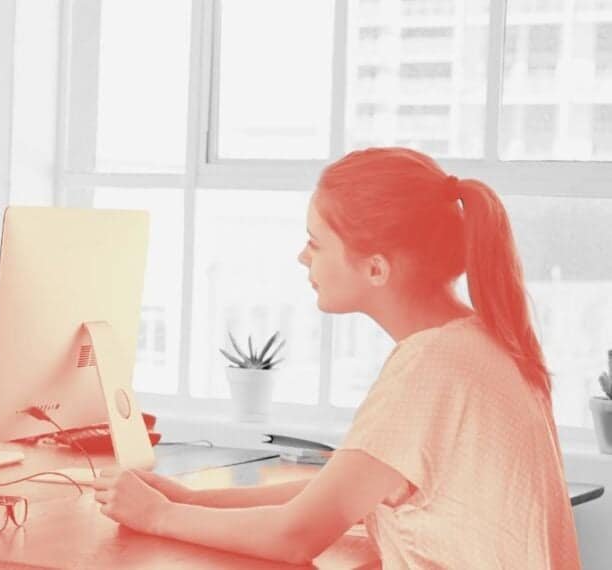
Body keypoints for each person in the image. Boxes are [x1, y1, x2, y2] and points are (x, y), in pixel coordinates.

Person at [93, 147, 581, 568]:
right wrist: (193, 500)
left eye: (315, 241)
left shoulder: (431, 368)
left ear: (376, 268)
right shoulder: (473, 344)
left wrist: (158, 516)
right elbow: (337, 496)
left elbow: (295, 537)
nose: (302, 258)